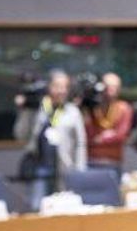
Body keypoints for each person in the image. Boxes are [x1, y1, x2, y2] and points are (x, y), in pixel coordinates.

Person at [17, 71, 87, 210]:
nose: (60, 91)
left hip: (64, 167)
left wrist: (80, 169)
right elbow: (20, 134)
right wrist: (25, 110)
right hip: (40, 167)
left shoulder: (72, 111)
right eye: (56, 86)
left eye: (64, 87)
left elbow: (80, 143)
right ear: (48, 87)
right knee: (38, 206)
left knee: (65, 207)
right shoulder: (38, 108)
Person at [84, 72, 133, 173]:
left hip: (113, 161)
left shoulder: (124, 108)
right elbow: (87, 134)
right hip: (92, 160)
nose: (110, 90)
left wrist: (101, 139)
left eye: (114, 87)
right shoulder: (92, 107)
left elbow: (121, 135)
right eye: (107, 86)